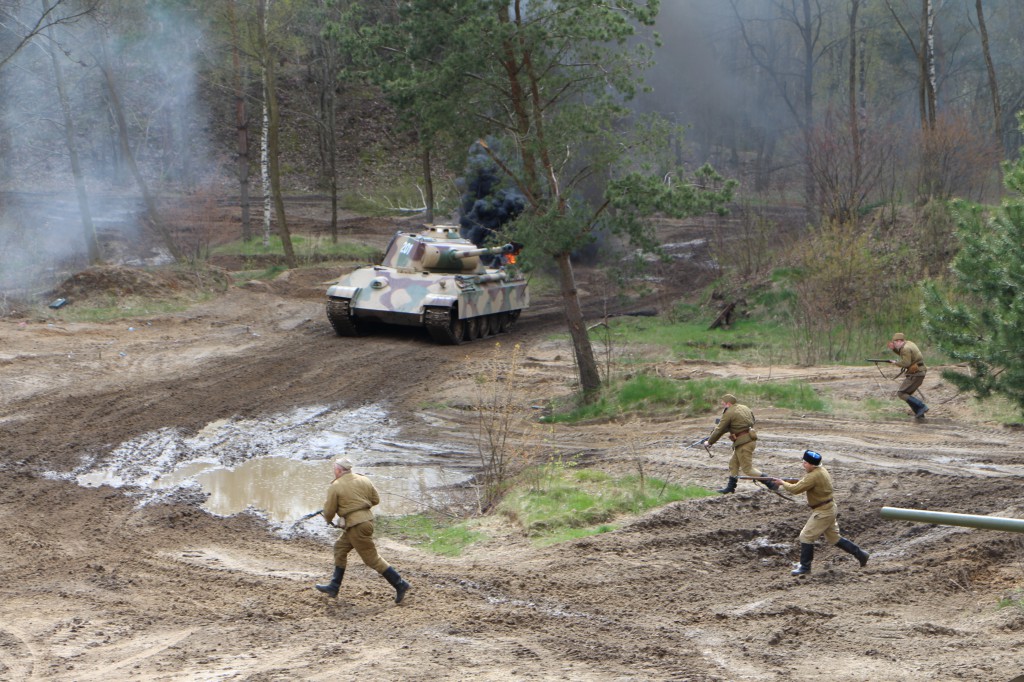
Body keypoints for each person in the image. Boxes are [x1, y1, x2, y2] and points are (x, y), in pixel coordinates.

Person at [314, 457, 411, 604]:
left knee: (371, 558)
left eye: (334, 470)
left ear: (339, 470)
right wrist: (358, 509)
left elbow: (329, 510)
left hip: (356, 526)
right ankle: (334, 587)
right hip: (364, 522)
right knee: (340, 548)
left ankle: (400, 584)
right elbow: (375, 500)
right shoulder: (364, 480)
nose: (334, 472)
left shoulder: (336, 485)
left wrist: (330, 519)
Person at [769, 450, 869, 576]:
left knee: (806, 536)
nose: (803, 464)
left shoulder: (813, 476)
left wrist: (782, 483)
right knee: (834, 538)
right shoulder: (821, 471)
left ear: (812, 465)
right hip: (829, 507)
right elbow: (805, 483)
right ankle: (861, 555)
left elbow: (796, 490)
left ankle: (805, 567)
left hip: (823, 511)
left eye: (805, 463)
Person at [701, 393, 777, 494]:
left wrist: (709, 442)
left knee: (748, 469)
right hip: (747, 439)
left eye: (723, 403)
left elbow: (719, 429)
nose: (722, 405)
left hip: (743, 443)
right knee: (733, 464)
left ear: (728, 403)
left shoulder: (729, 412)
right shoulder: (744, 408)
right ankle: (730, 488)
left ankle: (771, 483)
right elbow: (751, 421)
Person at [888, 332, 929, 418]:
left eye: (895, 343)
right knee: (906, 394)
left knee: (901, 393)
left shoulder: (905, 348)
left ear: (899, 341)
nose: (894, 345)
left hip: (916, 373)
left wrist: (896, 363)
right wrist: (894, 349)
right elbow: (904, 354)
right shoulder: (909, 344)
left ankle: (921, 407)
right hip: (919, 372)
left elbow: (906, 363)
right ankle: (919, 412)